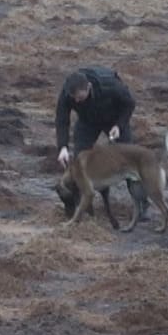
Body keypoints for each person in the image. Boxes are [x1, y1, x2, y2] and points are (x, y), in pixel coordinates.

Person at [54, 65, 149, 222]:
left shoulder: (110, 86)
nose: (77, 101)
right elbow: (61, 119)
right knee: (79, 164)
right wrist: (62, 146)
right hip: (87, 122)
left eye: (80, 98)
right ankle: (82, 206)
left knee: (130, 161)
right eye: (74, 99)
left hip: (114, 118)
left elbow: (129, 103)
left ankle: (141, 205)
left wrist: (119, 125)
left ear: (89, 87)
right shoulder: (67, 92)